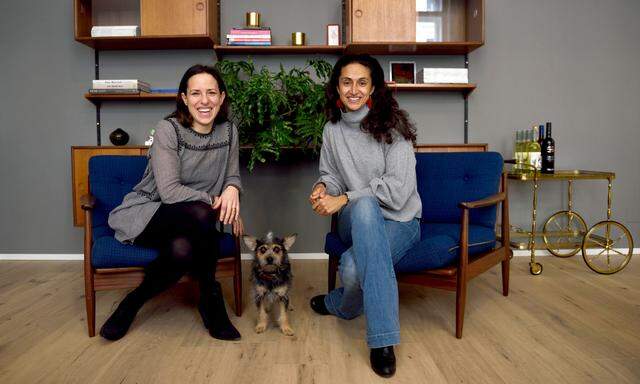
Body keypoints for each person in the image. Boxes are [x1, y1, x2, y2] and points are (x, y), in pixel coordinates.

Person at [102, 64, 243, 341]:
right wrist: (218, 200)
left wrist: (233, 191)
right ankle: (210, 296)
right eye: (196, 93)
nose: (204, 101)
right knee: (203, 213)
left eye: (212, 93)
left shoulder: (229, 132)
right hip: (149, 213)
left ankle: (132, 302)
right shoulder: (169, 129)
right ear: (183, 98)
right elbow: (169, 192)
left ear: (222, 98)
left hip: (195, 222)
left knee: (182, 249)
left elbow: (233, 175)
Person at [308, 54, 422, 378]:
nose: (354, 90)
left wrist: (344, 197)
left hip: (401, 220)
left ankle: (342, 307)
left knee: (352, 267)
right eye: (347, 82)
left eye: (361, 82)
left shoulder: (393, 127)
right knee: (364, 207)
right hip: (354, 219)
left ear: (373, 87)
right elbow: (330, 174)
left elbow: (399, 191)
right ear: (337, 88)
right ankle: (382, 341)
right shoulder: (332, 130)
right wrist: (322, 188)